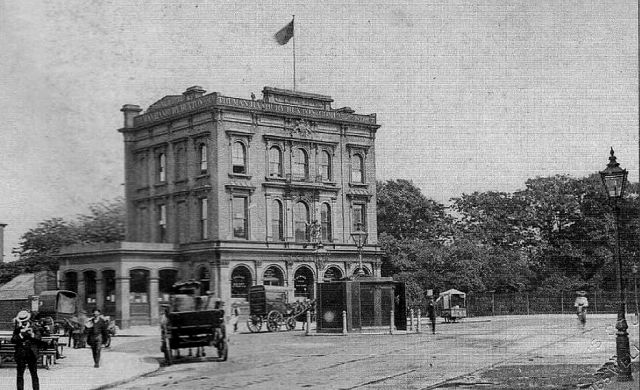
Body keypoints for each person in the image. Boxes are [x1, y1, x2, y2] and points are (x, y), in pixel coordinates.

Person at [12, 310, 41, 390]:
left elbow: (39, 339)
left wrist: (32, 335)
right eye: (22, 321)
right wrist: (20, 335)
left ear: (28, 319)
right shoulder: (17, 328)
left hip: (31, 353)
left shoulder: (34, 327)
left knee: (34, 374)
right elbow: (13, 340)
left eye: (25, 321)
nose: (23, 323)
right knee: (20, 375)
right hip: (21, 353)